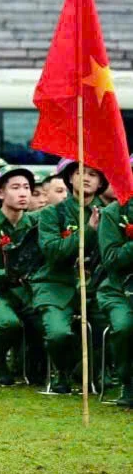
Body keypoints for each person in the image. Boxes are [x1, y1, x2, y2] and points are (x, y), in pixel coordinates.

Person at [30, 159, 105, 395]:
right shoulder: (52, 213)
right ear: (70, 178)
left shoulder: (109, 213)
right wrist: (88, 232)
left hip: (95, 286)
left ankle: (89, 372)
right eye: (80, 172)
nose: (86, 178)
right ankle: (61, 371)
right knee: (58, 333)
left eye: (93, 174)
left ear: (102, 182)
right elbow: (53, 250)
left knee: (114, 326)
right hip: (55, 283)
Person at [0, 166, 38, 387]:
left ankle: (30, 365)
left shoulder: (34, 225)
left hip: (25, 289)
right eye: (15, 188)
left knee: (42, 316)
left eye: (27, 188)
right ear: (0, 194)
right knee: (8, 323)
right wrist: (5, 274)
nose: (23, 193)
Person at [97, 161, 133, 406]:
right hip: (119, 289)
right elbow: (111, 260)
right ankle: (128, 383)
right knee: (124, 326)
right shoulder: (114, 213)